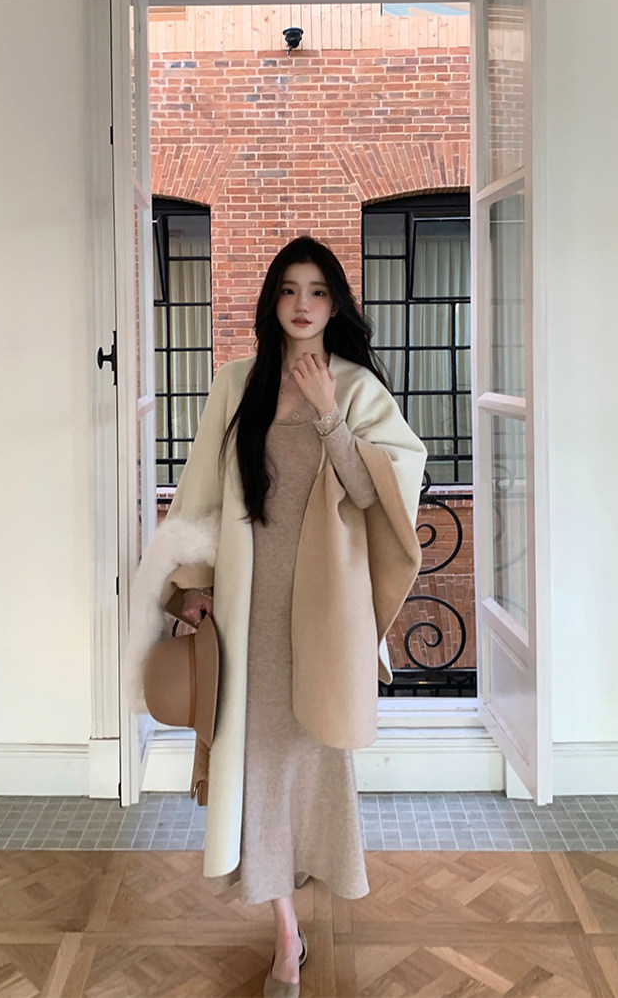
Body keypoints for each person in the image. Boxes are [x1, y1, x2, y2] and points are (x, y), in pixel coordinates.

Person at [126, 236, 426, 998]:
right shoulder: (236, 383)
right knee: (256, 761)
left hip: (325, 609)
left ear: (336, 303)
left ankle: (312, 884)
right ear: (271, 300)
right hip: (247, 604)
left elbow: (380, 495)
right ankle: (286, 935)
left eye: (318, 290)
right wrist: (190, 586)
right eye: (289, 289)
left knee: (314, 751)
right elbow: (198, 494)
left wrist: (328, 414)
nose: (302, 304)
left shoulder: (356, 387)